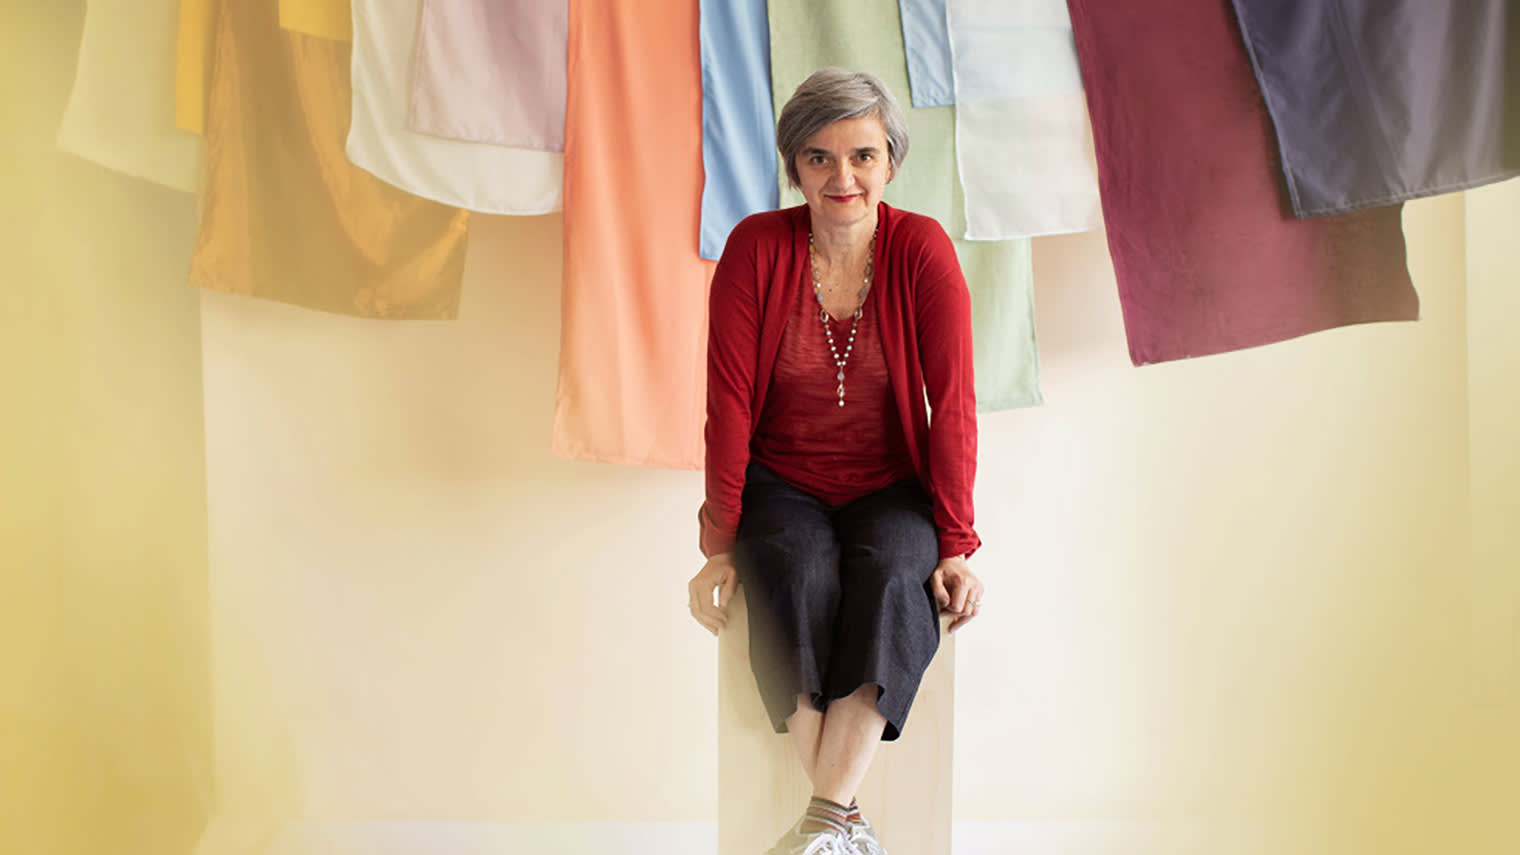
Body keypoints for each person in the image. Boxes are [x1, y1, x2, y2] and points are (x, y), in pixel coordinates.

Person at [688, 67, 986, 855]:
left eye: (862, 154)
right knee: (793, 570)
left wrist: (954, 540)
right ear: (795, 167)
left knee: (893, 577)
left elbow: (953, 402)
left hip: (892, 485)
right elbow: (727, 406)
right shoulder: (756, 247)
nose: (842, 177)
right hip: (781, 482)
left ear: (891, 160)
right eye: (818, 157)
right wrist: (719, 543)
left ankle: (821, 820)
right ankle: (841, 822)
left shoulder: (921, 248)